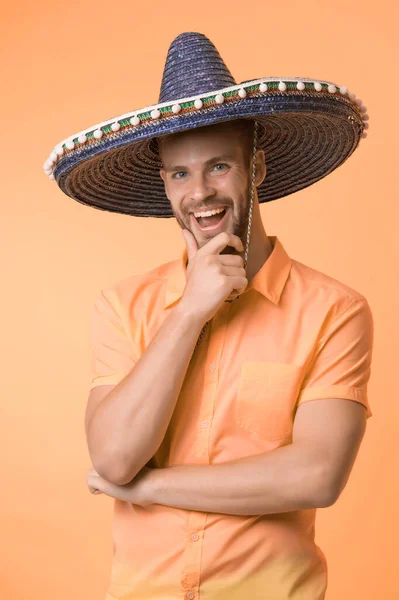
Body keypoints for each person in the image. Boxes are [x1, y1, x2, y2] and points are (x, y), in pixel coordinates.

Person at [44, 32, 373, 600]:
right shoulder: (125, 306)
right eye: (179, 174)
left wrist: (151, 489)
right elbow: (115, 456)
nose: (200, 193)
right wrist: (188, 314)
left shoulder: (335, 310)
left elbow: (315, 476)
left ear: (258, 168)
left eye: (219, 166)